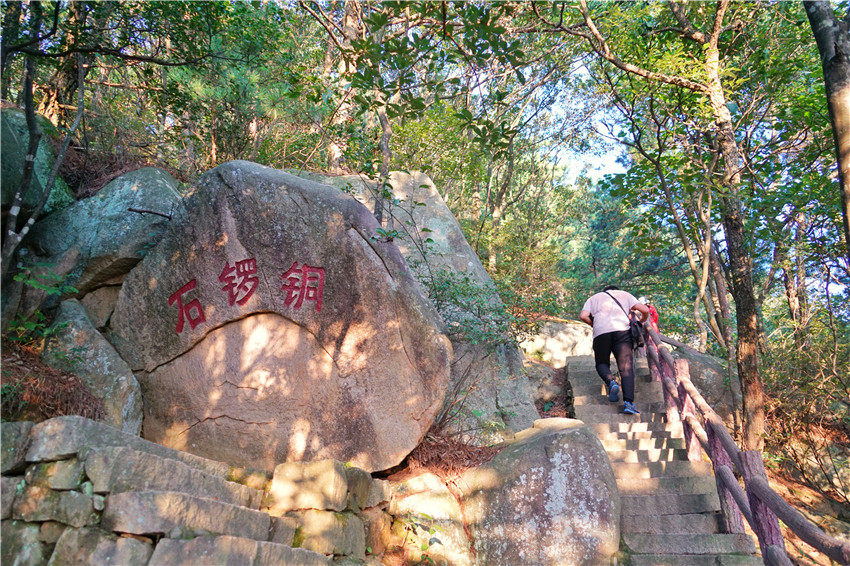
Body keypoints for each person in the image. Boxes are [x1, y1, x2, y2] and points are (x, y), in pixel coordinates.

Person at [580, 285, 650, 415]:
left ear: (605, 291)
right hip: (622, 332)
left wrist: (594, 324)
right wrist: (642, 321)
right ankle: (628, 403)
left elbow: (583, 315)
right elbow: (645, 310)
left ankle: (611, 382)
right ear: (616, 290)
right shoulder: (625, 294)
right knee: (626, 368)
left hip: (601, 333)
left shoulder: (594, 298)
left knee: (602, 363)